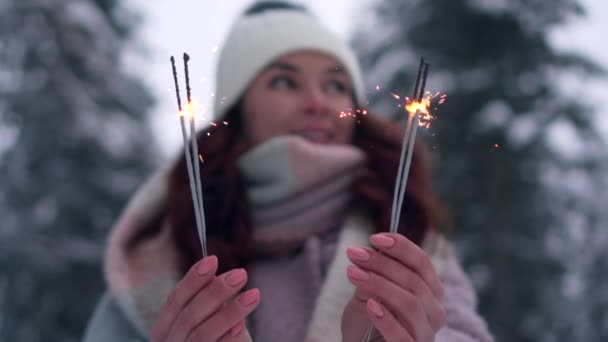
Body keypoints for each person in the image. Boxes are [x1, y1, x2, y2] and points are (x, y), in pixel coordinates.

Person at [83, 1, 493, 341]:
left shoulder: (408, 238)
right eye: (284, 81)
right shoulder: (152, 261)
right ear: (237, 110)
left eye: (335, 85)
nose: (317, 102)